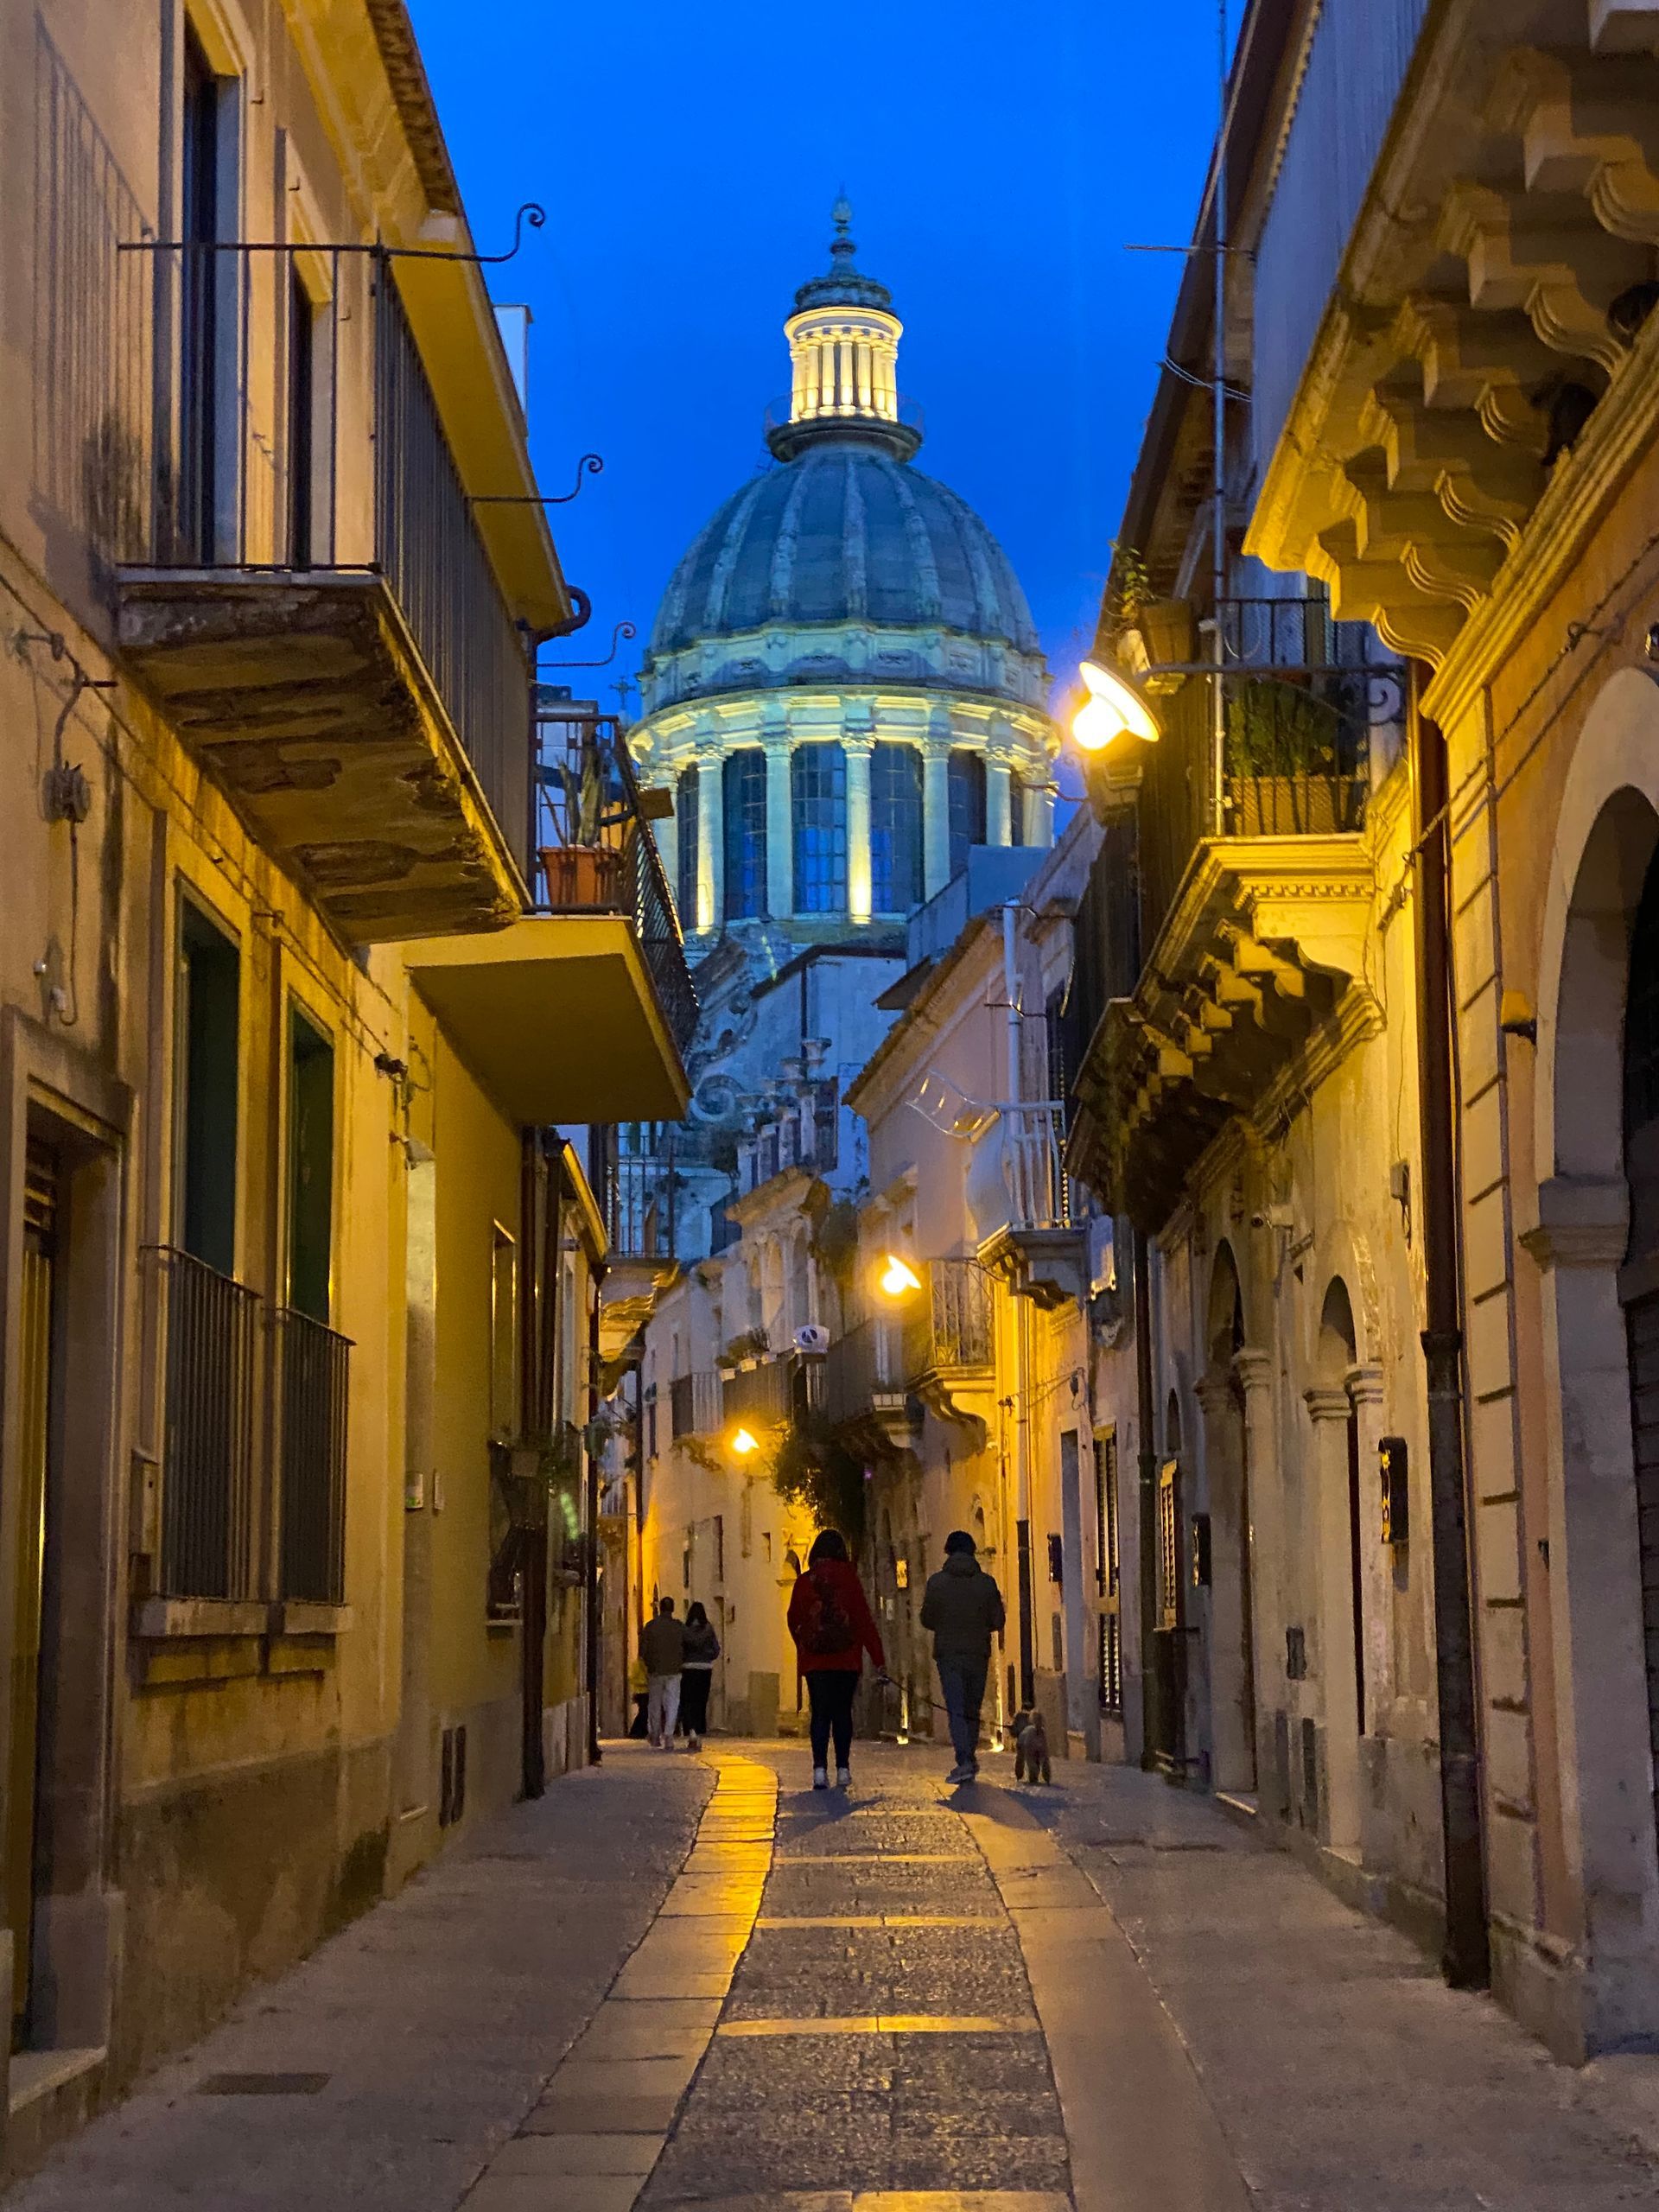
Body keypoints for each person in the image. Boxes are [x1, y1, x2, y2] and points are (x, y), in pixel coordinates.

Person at [786, 1529, 884, 1790]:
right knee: (842, 1713)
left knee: (820, 1713)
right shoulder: (849, 1579)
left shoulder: (805, 1582)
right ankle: (843, 1769)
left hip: (815, 1661)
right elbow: (863, 1620)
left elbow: (793, 1619)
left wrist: (804, 1647)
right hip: (846, 1659)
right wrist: (878, 1658)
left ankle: (819, 1770)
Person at [920, 1529, 1006, 1784]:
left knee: (956, 1707)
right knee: (972, 1707)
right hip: (978, 1653)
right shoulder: (987, 1583)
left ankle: (965, 1760)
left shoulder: (936, 1583)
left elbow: (927, 1619)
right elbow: (998, 1620)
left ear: (948, 1552)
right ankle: (969, 1756)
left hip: (948, 1654)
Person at [639, 1596, 685, 1749]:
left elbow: (643, 1649)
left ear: (660, 1608)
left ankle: (655, 1734)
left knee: (655, 1703)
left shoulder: (650, 1626)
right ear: (672, 1609)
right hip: (674, 1671)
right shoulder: (679, 1627)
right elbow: (687, 1644)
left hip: (655, 1671)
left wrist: (648, 1663)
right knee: (672, 1703)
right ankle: (669, 1735)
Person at [679, 1601, 720, 1751]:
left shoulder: (684, 1630)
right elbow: (716, 1649)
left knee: (688, 1702)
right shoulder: (708, 1629)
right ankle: (699, 1734)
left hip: (688, 1668)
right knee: (701, 1702)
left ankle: (691, 1733)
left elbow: (680, 1649)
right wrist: (707, 1655)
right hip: (704, 1669)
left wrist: (685, 1658)